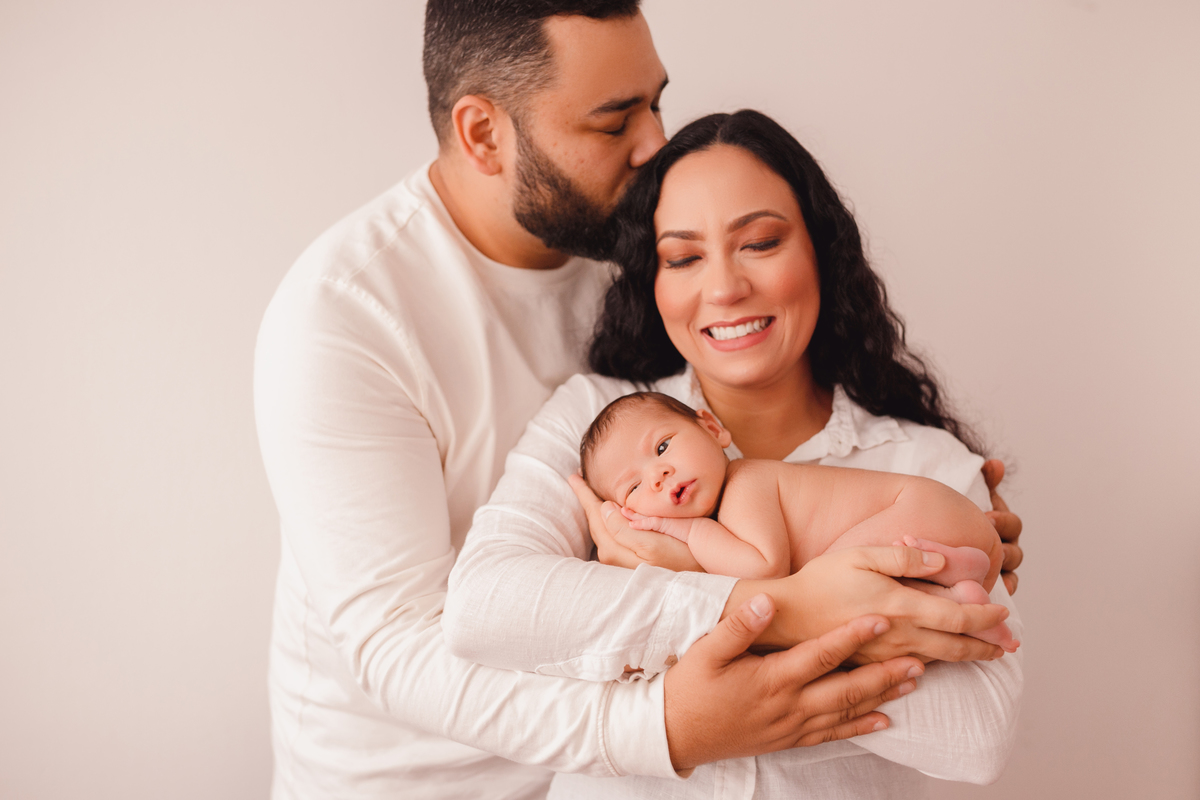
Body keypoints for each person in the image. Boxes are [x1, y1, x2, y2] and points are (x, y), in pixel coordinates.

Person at [256, 1, 1024, 796]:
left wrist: (931, 514)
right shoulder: (350, 315)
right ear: (484, 134)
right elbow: (407, 642)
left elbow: (977, 729)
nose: (654, 144)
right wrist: (755, 633)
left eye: (655, 100)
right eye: (613, 120)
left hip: (576, 761)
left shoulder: (622, 246)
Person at [444, 110, 1024, 797]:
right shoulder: (596, 420)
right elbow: (485, 609)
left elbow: (979, 734)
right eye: (683, 257)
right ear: (652, 283)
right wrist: (795, 612)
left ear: (820, 250)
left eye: (760, 242)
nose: (723, 288)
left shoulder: (923, 462)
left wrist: (690, 599)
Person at [578, 391, 1018, 650]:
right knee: (850, 587)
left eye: (661, 449)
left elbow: (763, 569)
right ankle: (961, 579)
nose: (658, 476)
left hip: (918, 510)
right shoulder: (736, 498)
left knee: (837, 585)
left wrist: (688, 531)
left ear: (712, 429)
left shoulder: (745, 483)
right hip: (940, 526)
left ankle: (961, 584)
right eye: (633, 488)